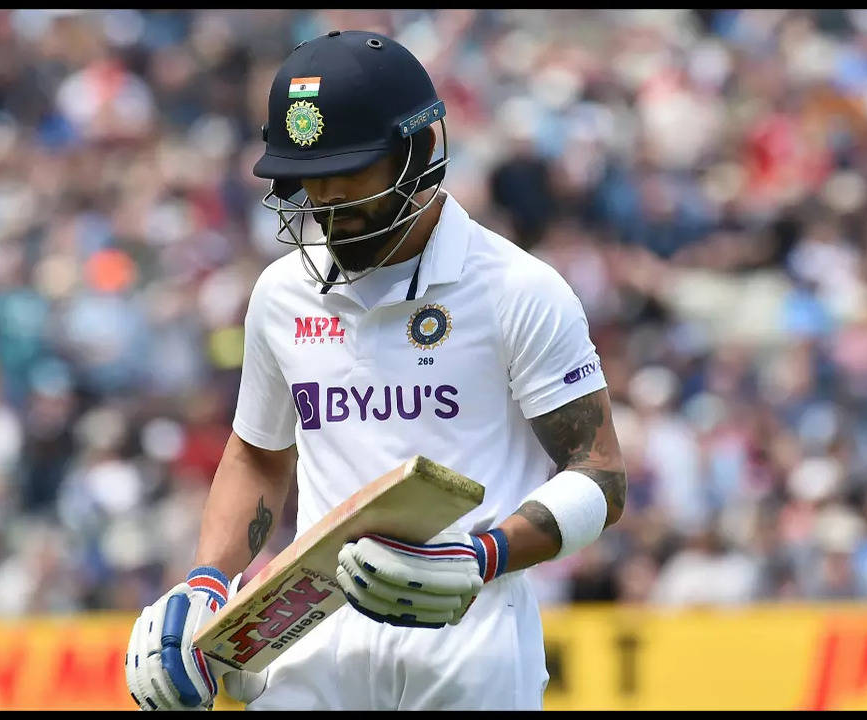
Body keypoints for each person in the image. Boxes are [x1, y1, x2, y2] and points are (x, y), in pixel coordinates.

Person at [125, 29, 626, 711]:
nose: (326, 203)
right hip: (308, 650)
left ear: (418, 152)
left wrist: (480, 559)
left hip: (467, 643)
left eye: (348, 171)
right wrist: (209, 584)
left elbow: (600, 474)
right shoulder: (280, 295)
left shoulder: (517, 290)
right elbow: (258, 456)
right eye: (308, 180)